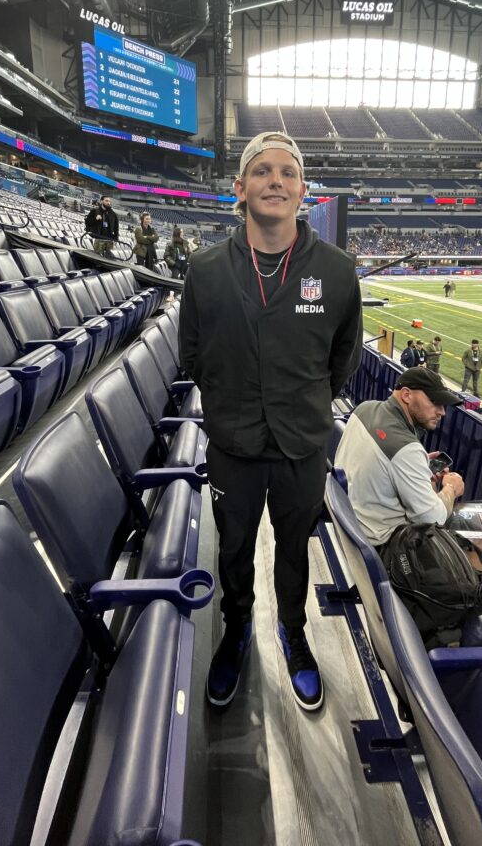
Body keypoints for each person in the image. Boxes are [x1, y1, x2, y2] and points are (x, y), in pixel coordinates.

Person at [179, 130, 363, 712]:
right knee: (233, 549)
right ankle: (236, 631)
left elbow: (343, 361)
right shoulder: (206, 269)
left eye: (287, 172)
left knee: (292, 549)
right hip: (233, 444)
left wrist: (297, 404)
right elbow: (192, 354)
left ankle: (294, 633)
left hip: (300, 448)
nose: (275, 181)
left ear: (303, 190)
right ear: (240, 188)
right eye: (262, 171)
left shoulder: (336, 271)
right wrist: (236, 402)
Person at [335, 368, 466, 548]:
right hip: (377, 544)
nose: (442, 412)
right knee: (479, 542)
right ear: (406, 395)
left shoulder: (365, 407)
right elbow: (433, 519)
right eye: (435, 402)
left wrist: (418, 466)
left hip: (345, 516)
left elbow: (379, 461)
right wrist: (451, 488)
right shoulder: (407, 450)